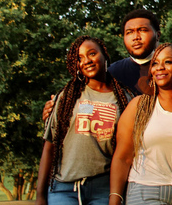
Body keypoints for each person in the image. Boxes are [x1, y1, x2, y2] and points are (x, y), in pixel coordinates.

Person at [43, 9, 172, 121]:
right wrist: (57, 109)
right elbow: (87, 107)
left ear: (157, 34)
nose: (136, 37)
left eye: (142, 30)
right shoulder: (112, 74)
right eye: (129, 32)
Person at [36, 36, 131, 205]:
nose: (86, 61)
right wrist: (40, 196)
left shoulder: (125, 98)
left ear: (104, 55)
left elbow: (128, 152)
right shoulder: (66, 96)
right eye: (80, 58)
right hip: (64, 188)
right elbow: (49, 146)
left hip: (104, 188)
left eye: (92, 53)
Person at [109, 43, 172, 205]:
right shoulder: (138, 106)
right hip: (147, 192)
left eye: (168, 62)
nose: (159, 67)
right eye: (155, 63)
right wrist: (115, 199)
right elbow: (123, 157)